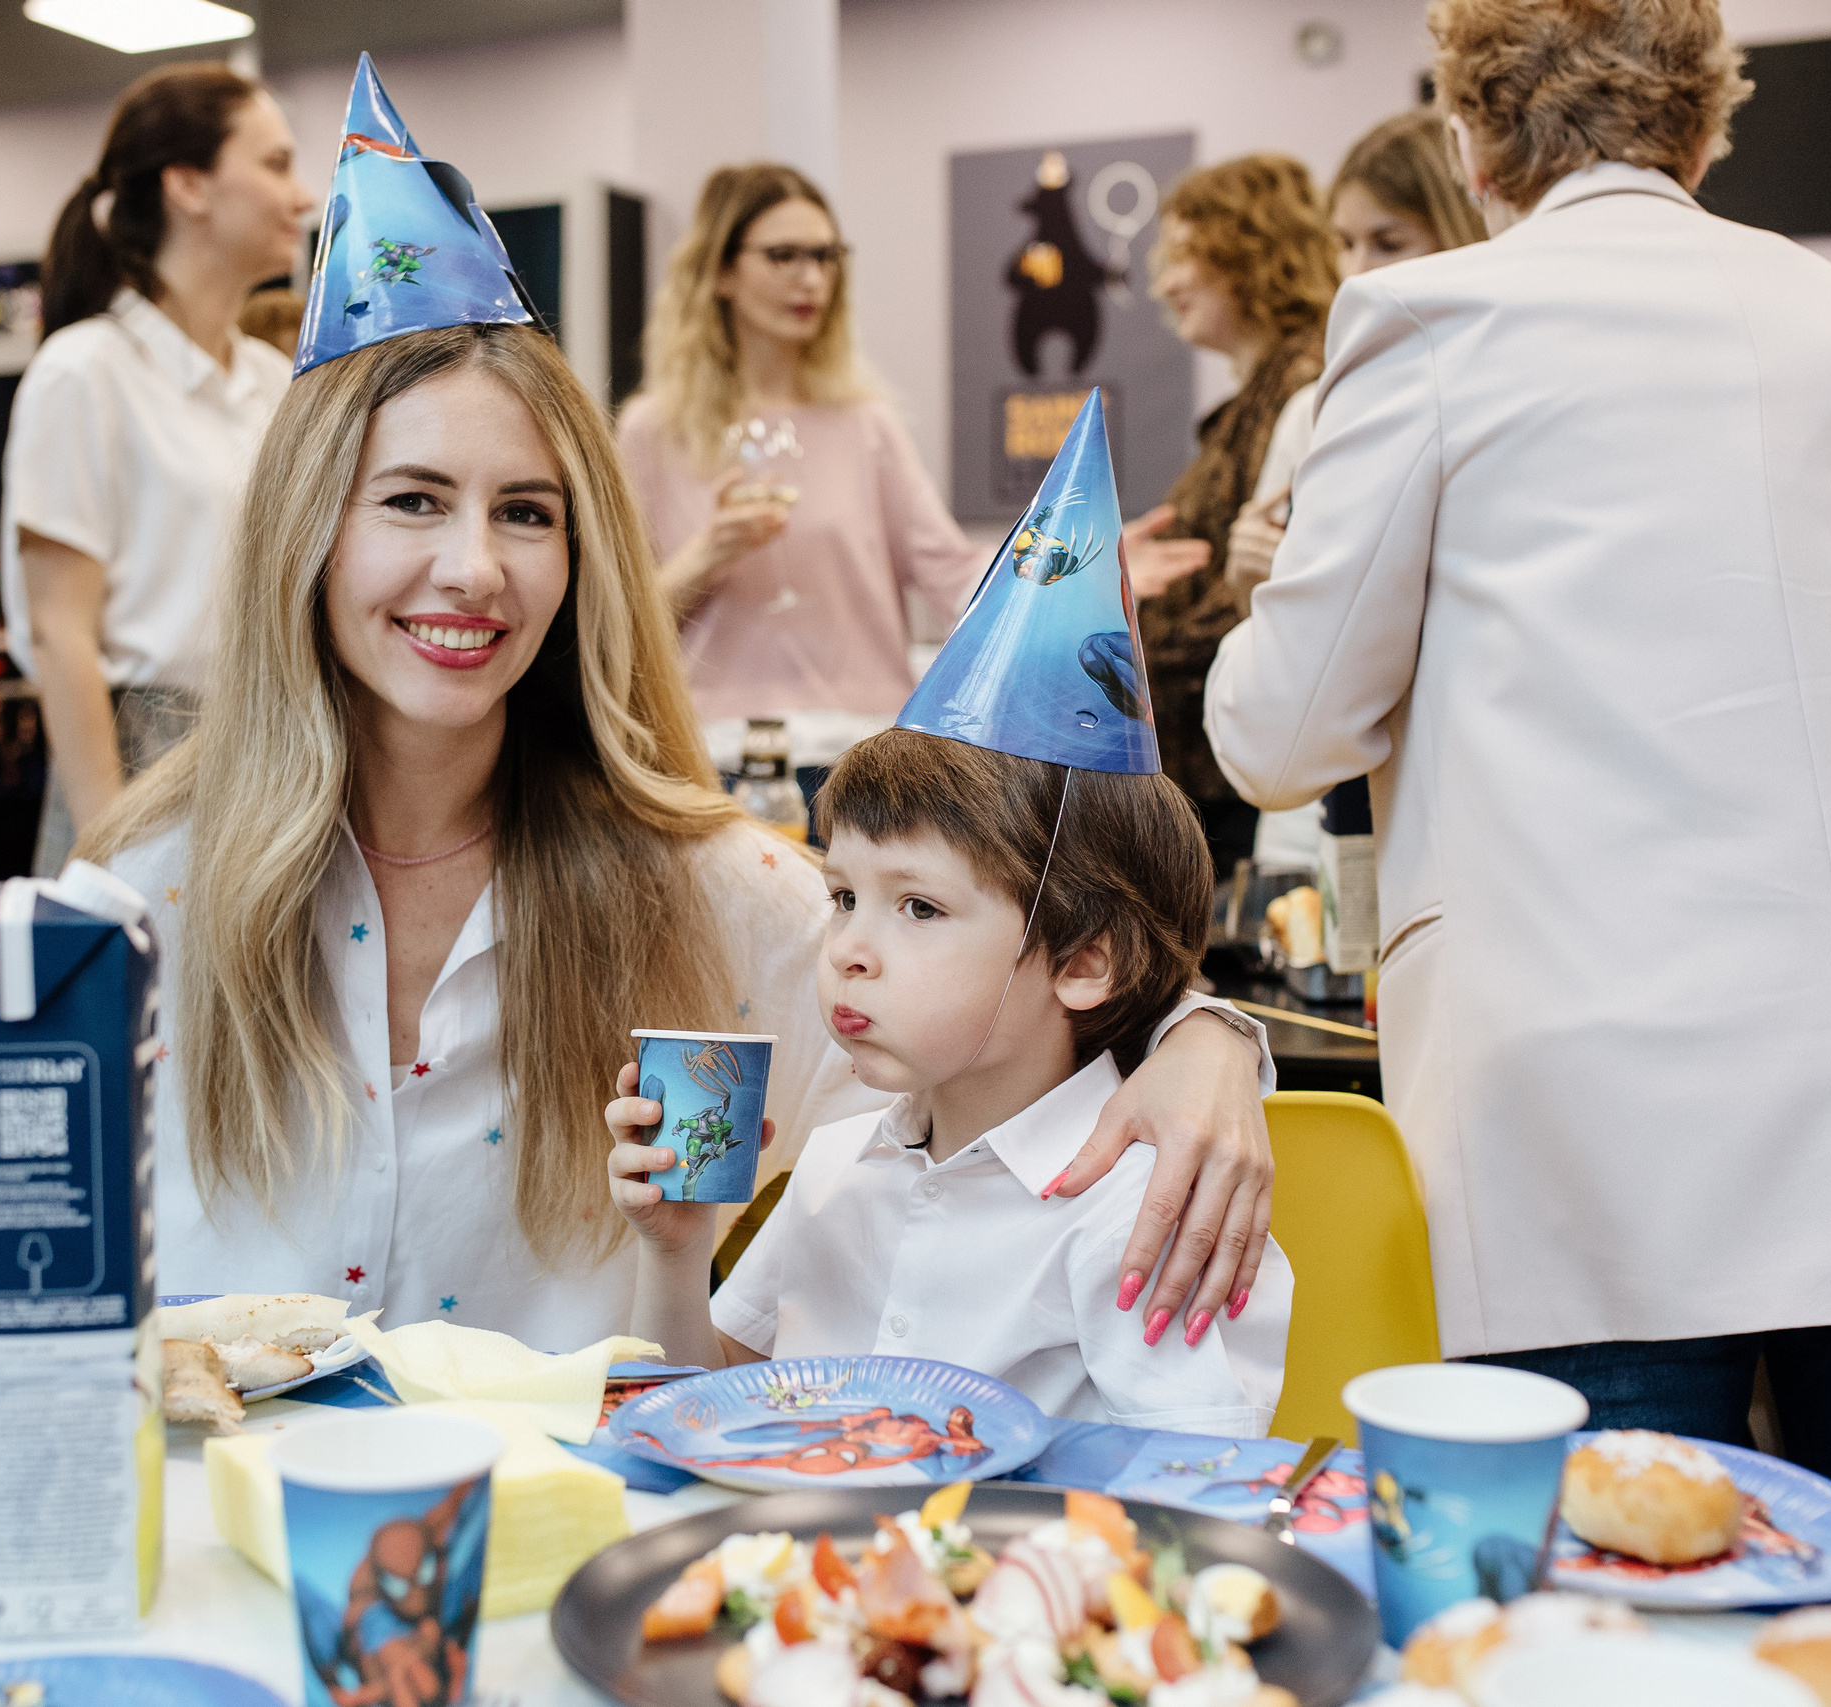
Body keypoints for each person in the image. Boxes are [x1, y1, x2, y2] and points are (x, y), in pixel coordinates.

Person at [81, 60, 1277, 1357]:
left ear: (584, 556)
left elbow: (1010, 992)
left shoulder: (704, 886)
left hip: (569, 1549)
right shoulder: (145, 892)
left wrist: (1207, 1039)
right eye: (413, 499)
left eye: (527, 513)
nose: (476, 565)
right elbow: (5, 1278)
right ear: (304, 532)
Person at [1204, 0, 1831, 1515]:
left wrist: (1282, 569)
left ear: (1468, 138)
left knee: (1623, 1616)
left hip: (1604, 1093)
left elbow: (1280, 730)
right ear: (1711, 127)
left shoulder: (1429, 321)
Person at [612, 395, 1291, 1424]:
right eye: (842, 897)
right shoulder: (836, 1165)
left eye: (918, 909)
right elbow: (705, 1416)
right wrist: (676, 1252)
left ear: (1084, 960)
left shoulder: (1134, 1210)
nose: (845, 950)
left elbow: (1197, 1492)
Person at [2, 64, 316, 875]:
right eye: (276, 165)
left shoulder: (271, 383)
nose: (304, 196)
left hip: (270, 754)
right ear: (189, 185)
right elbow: (60, 632)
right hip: (137, 760)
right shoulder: (84, 372)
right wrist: (110, 847)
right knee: (137, 1002)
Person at [617, 164, 986, 727]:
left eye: (825, 256)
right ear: (721, 271)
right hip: (715, 751)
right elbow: (617, 627)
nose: (811, 278)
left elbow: (953, 576)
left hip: (859, 751)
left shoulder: (866, 424)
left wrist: (1065, 568)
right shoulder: (652, 431)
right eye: (784, 256)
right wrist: (708, 553)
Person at [1227, 110, 1485, 871]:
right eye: (1345, 243)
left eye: (1390, 241)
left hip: (1453, 804)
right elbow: (1287, 643)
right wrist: (1254, 576)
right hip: (1317, 817)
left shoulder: (1502, 395)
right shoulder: (1314, 409)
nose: (1360, 269)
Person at [1127, 156, 1339, 879]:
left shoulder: (1305, 392)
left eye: (1184, 255)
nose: (1165, 283)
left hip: (1243, 782)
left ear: (1251, 248)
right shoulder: (1249, 403)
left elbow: (1281, 585)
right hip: (1213, 770)